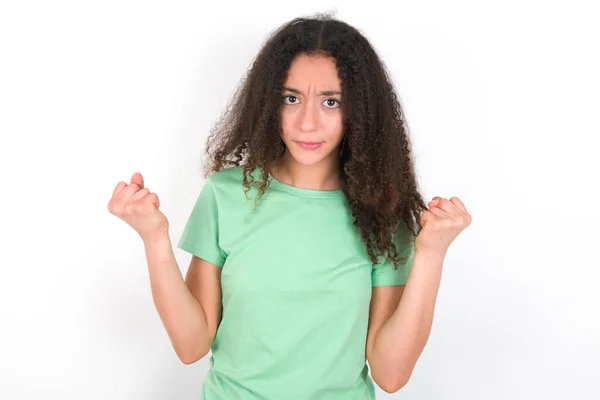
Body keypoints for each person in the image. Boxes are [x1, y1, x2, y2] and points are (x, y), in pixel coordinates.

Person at [108, 13, 471, 400]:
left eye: (331, 102)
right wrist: (154, 238)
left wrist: (431, 255)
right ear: (269, 102)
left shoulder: (381, 214)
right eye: (291, 98)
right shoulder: (226, 195)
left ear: (359, 112)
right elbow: (190, 345)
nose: (307, 123)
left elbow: (391, 374)